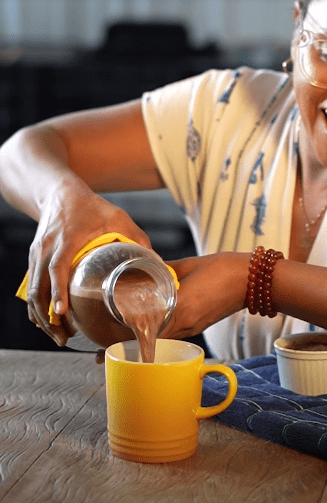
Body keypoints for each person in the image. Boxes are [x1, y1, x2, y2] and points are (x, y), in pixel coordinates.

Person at [0, 0, 327, 362]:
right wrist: (61, 200)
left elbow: (252, 279)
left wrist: (255, 280)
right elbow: (16, 154)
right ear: (297, 30)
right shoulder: (226, 112)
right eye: (326, 51)